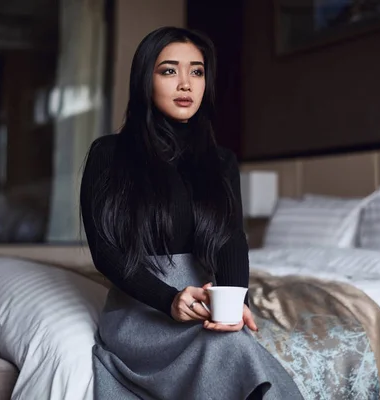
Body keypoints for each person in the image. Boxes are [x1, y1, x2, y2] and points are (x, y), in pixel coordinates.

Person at [80, 26, 302, 400]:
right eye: (169, 71)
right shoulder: (109, 153)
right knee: (232, 356)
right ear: (144, 79)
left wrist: (235, 302)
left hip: (204, 304)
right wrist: (168, 298)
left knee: (233, 346)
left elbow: (232, 239)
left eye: (196, 72)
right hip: (141, 309)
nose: (186, 84)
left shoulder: (221, 161)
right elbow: (106, 253)